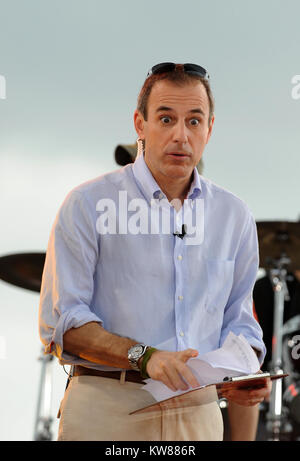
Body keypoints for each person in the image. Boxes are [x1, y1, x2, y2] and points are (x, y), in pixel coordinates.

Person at [39, 62, 271, 441]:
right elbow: (63, 324)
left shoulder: (235, 216)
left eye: (194, 121)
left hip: (198, 414)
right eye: (166, 119)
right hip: (108, 406)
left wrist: (244, 374)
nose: (180, 135)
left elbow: (240, 324)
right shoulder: (87, 204)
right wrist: (145, 358)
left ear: (210, 129)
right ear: (139, 124)